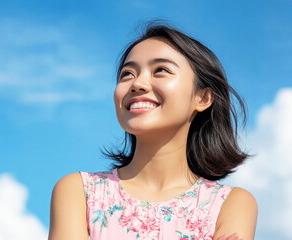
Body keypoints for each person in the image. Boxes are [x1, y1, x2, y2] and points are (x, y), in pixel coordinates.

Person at [48, 22, 258, 240]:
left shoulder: (232, 204)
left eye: (161, 70)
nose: (137, 83)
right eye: (127, 74)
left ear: (202, 98)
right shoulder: (78, 192)